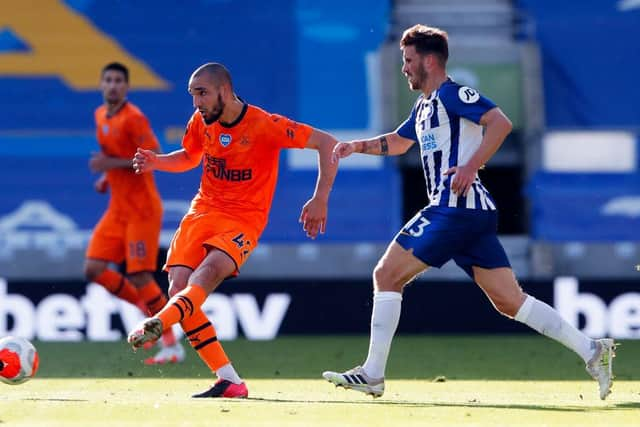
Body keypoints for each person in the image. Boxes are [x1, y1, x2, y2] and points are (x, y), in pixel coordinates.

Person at [322, 24, 616, 400]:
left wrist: (471, 165)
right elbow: (398, 142)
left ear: (430, 61)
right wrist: (355, 147)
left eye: (409, 60)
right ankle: (593, 350)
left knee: (386, 273)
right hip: (470, 213)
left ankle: (373, 373)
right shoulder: (424, 106)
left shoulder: (453, 94)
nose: (404, 68)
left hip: (453, 207)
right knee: (510, 301)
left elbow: (500, 122)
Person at [126, 62, 338, 398]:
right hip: (203, 211)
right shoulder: (201, 120)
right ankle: (230, 382)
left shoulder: (264, 125)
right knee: (178, 286)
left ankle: (160, 324)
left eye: (202, 93)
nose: (196, 102)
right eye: (192, 94)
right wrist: (157, 161)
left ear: (224, 91)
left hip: (244, 218)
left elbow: (328, 144)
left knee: (206, 274)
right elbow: (189, 156)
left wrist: (320, 198)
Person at [85, 62, 184, 365]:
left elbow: (150, 156)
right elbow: (114, 156)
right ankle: (149, 313)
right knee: (94, 269)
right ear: (101, 85)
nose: (113, 85)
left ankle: (170, 343)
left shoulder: (134, 118)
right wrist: (107, 177)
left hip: (142, 209)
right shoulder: (100, 116)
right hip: (118, 208)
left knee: (139, 274)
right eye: (108, 80)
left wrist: (110, 166)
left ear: (126, 87)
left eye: (118, 81)